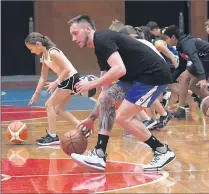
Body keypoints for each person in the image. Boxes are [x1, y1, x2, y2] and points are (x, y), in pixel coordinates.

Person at [67, 15, 176, 171]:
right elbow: (105, 93)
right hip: (135, 77)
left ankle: (162, 151)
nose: (73, 38)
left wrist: (91, 84)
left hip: (152, 75)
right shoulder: (100, 49)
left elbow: (119, 69)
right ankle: (99, 154)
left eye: (75, 33)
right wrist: (91, 118)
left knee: (123, 117)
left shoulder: (103, 39)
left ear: (88, 29)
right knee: (107, 100)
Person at [25, 32, 81, 146]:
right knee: (58, 109)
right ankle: (83, 128)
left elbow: (66, 69)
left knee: (49, 104)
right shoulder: (44, 56)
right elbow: (43, 77)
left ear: (38, 44)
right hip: (67, 80)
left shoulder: (53, 52)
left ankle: (52, 136)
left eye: (31, 48)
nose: (31, 51)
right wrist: (36, 94)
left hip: (70, 79)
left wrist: (56, 82)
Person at [163, 25, 209, 119]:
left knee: (184, 77)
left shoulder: (186, 44)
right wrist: (168, 80)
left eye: (167, 38)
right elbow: (181, 67)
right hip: (206, 59)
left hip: (208, 57)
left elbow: (196, 60)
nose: (166, 41)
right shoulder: (181, 46)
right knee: (192, 86)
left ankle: (181, 110)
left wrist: (202, 78)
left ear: (173, 37)